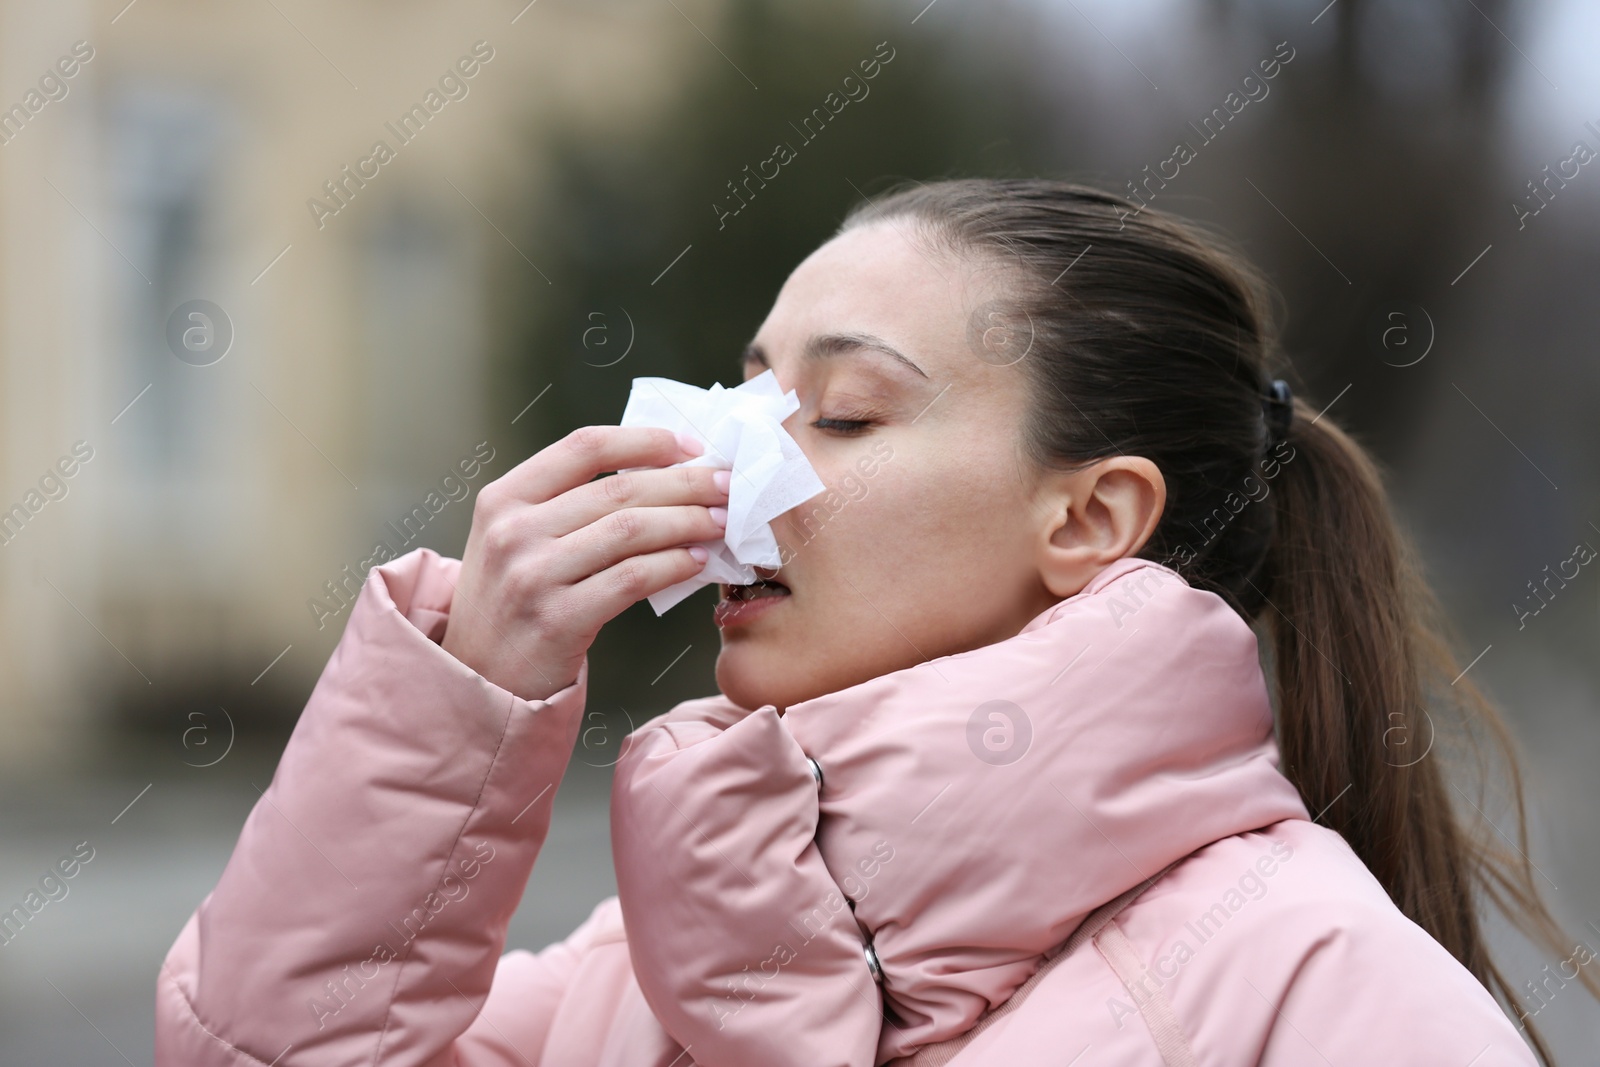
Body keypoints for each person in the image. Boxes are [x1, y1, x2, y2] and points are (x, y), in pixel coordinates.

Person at [154, 179, 1595, 1066]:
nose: (726, 466)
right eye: (748, 392)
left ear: (1090, 518)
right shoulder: (635, 979)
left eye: (842, 410)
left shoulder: (1309, 990)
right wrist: (458, 699)